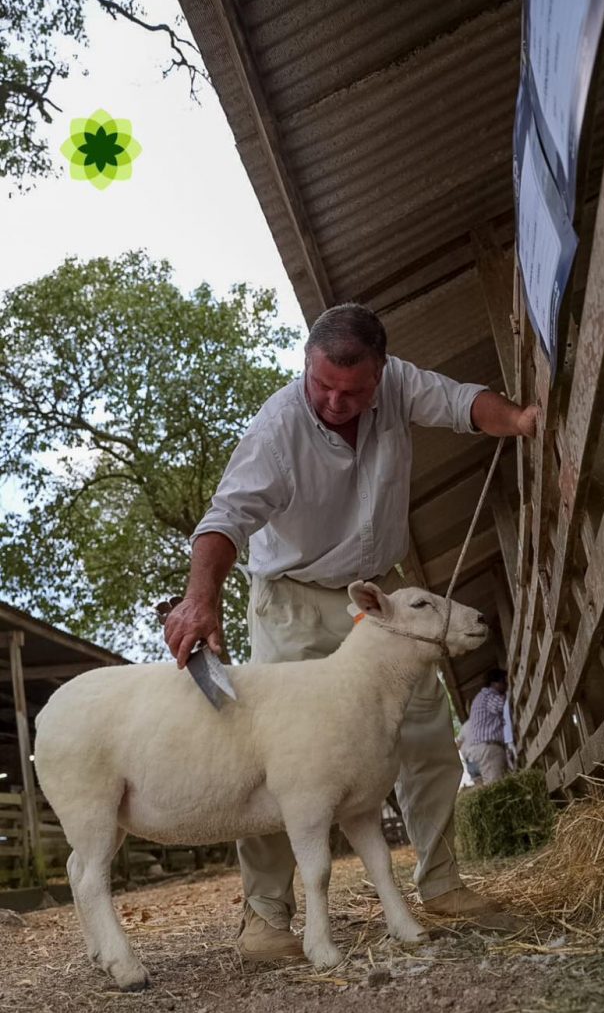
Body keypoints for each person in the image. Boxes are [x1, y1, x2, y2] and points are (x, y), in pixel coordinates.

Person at [164, 303, 536, 959]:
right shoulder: (278, 427)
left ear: (381, 373)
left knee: (423, 730)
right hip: (293, 598)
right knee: (275, 751)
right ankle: (267, 917)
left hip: (376, 599)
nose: (335, 402)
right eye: (322, 386)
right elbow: (227, 517)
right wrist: (201, 597)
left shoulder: (399, 387)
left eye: (353, 390)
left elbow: (461, 402)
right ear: (306, 366)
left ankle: (442, 884)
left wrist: (520, 421)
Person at [463, 669, 512, 785]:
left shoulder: (480, 697)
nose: (506, 685)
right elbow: (503, 705)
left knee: (493, 785)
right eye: (504, 682)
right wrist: (510, 693)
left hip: (482, 749)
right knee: (497, 786)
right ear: (496, 683)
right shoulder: (488, 696)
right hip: (489, 748)